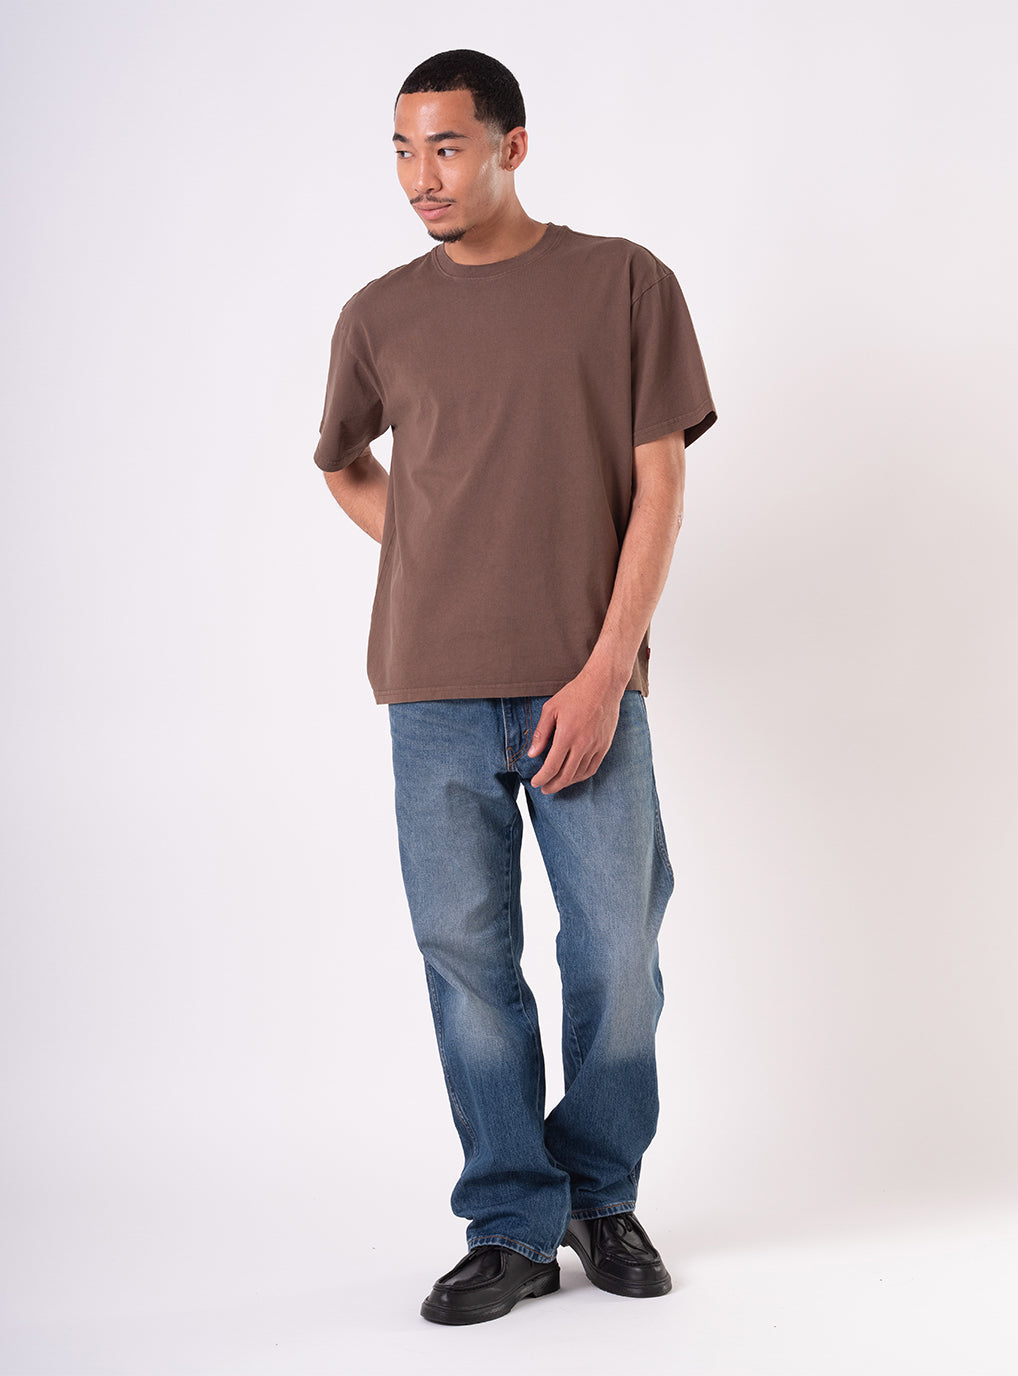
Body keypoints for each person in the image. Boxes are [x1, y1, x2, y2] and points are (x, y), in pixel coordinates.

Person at [314, 49, 716, 1325]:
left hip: (582, 678)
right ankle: (511, 1222)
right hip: (430, 687)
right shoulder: (378, 313)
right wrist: (437, 549)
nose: (420, 176)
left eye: (445, 146)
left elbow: (661, 484)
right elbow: (343, 463)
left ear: (512, 146)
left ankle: (600, 1192)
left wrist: (605, 670)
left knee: (618, 954)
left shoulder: (624, 282)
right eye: (402, 149)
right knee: (467, 961)